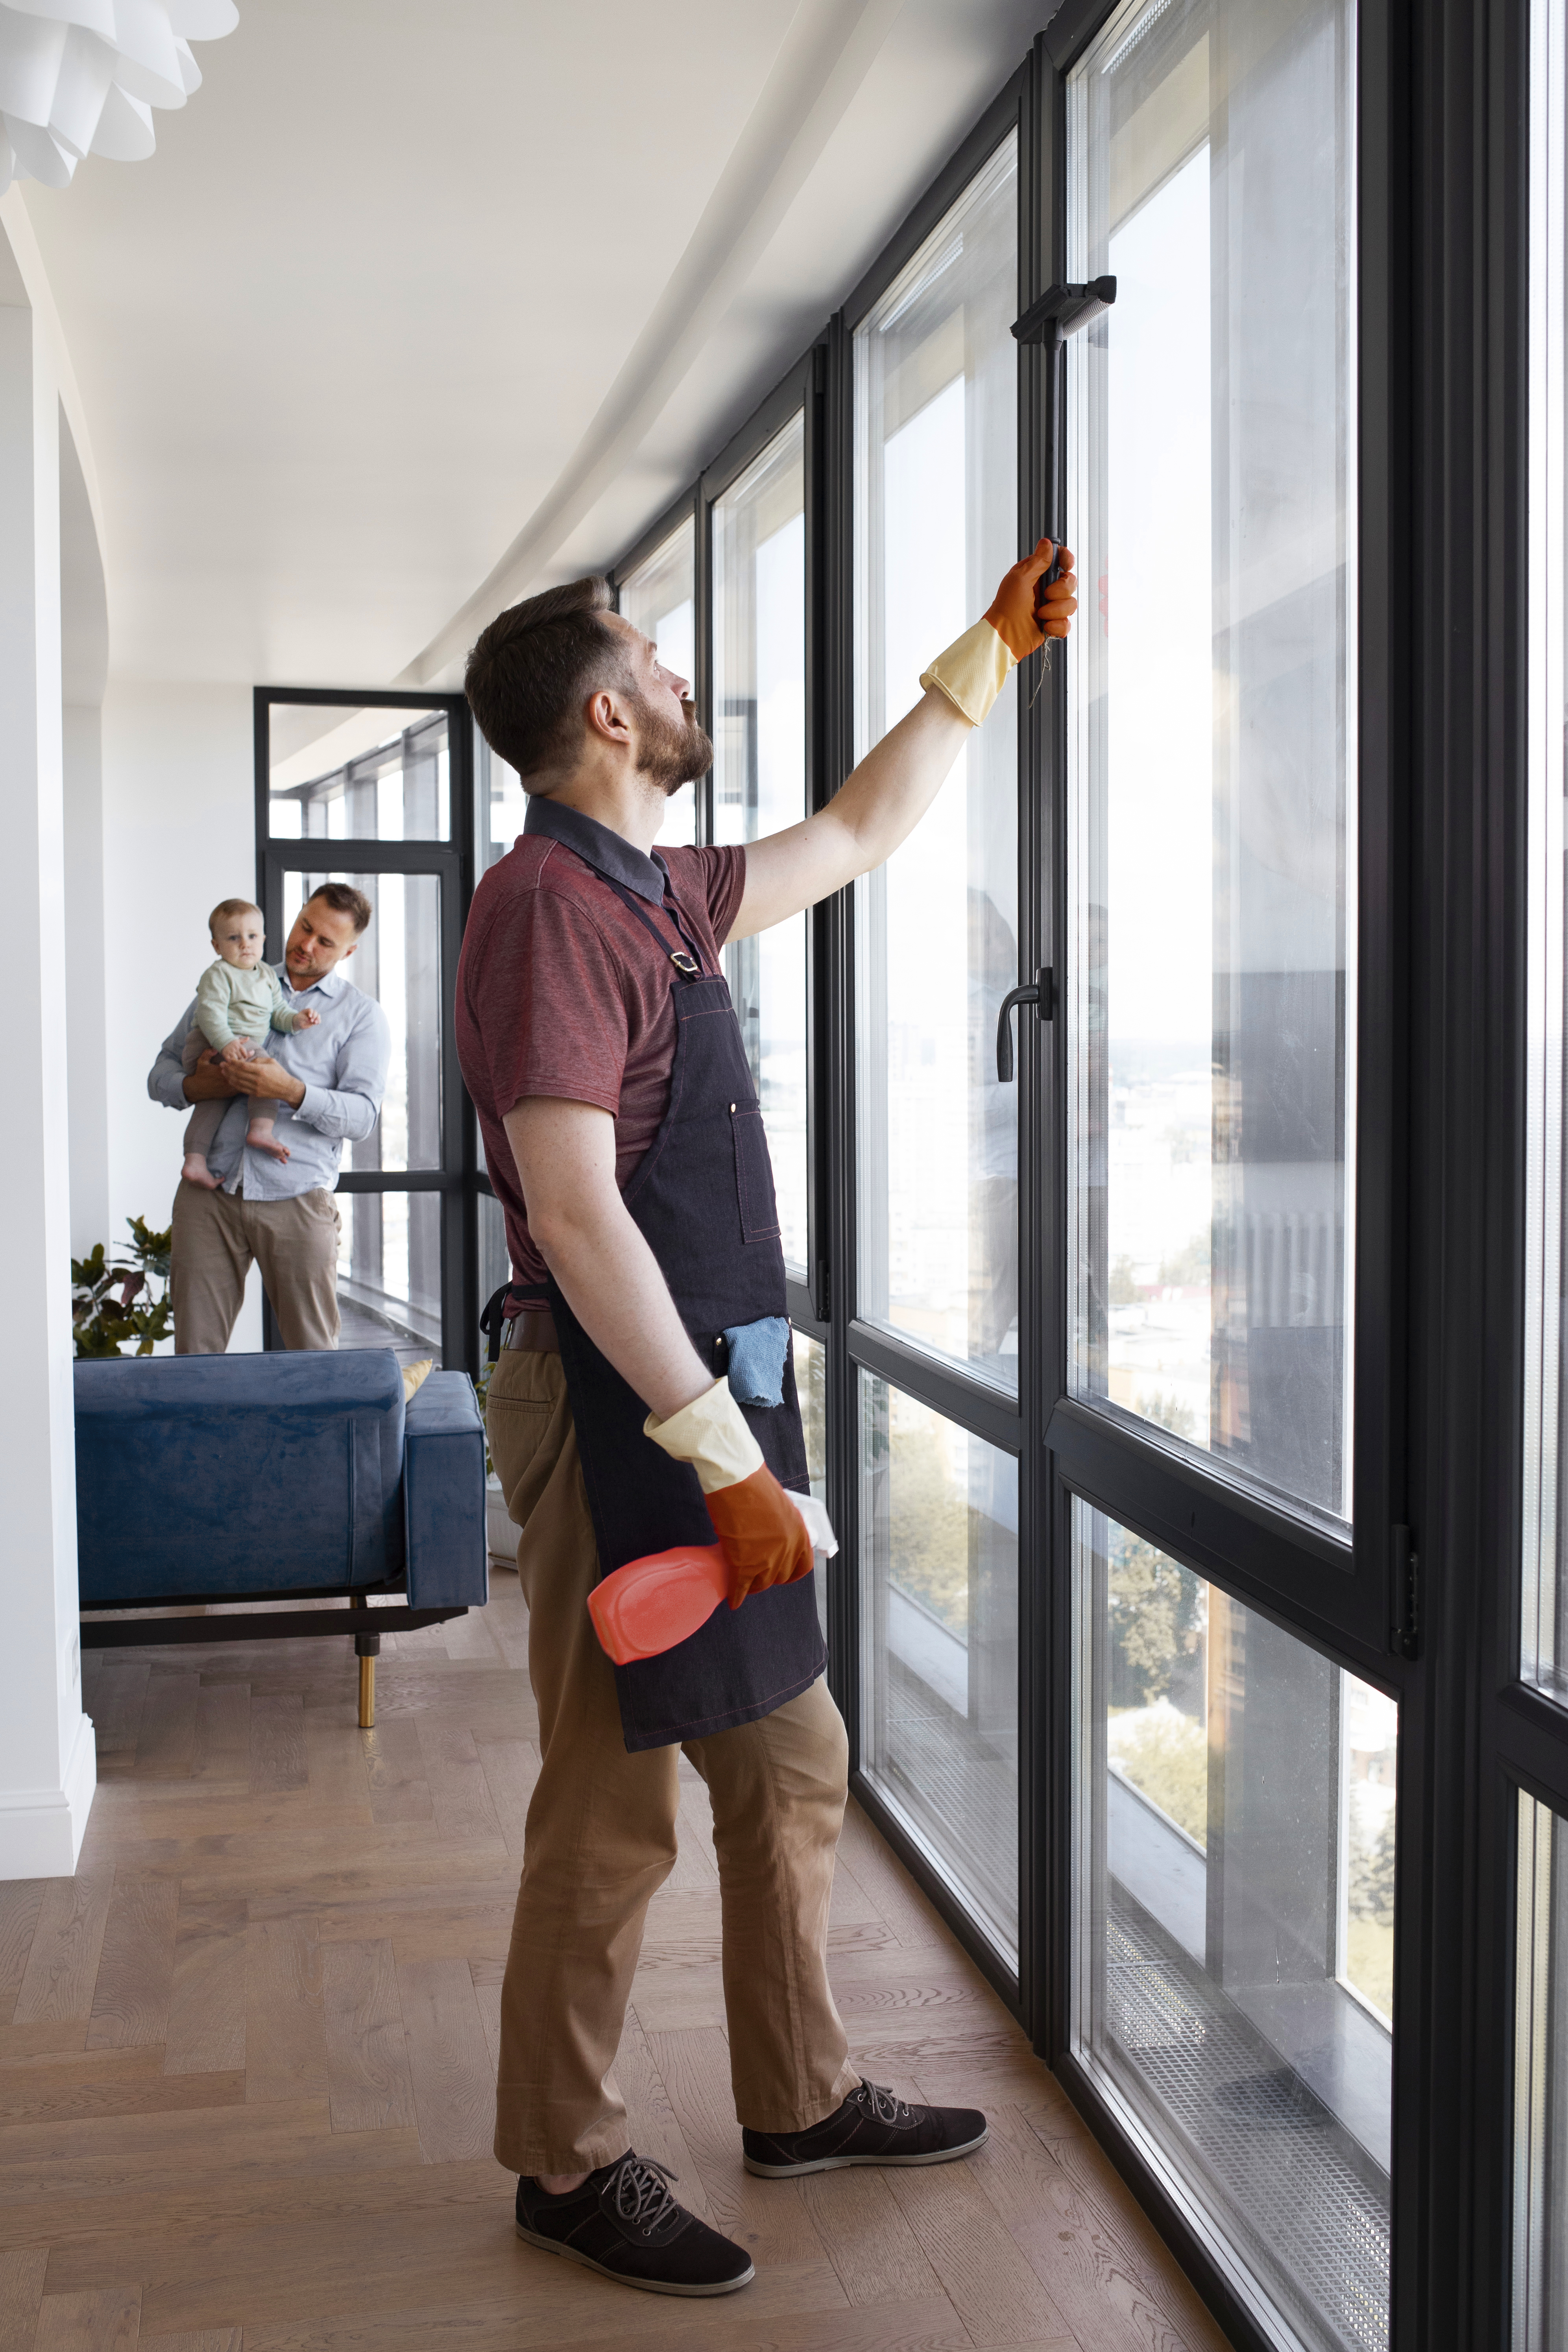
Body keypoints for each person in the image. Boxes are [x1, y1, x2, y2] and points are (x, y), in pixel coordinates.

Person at [457, 539, 1076, 2298]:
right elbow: (577, 1214)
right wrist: (717, 1454)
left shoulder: (653, 886)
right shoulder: (545, 916)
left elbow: (858, 830)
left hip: (705, 1387)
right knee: (612, 1797)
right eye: (651, 655)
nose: (677, 678)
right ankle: (565, 2163)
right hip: (617, 1403)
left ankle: (795, 2095)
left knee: (790, 1758)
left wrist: (983, 654)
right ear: (604, 706)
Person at [146, 883, 391, 1353]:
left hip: (296, 1196)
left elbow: (362, 1118)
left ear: (350, 950)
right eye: (305, 927)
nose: (306, 945)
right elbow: (161, 1073)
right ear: (297, 914)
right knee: (194, 1358)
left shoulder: (362, 1017)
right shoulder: (231, 977)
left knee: (314, 1354)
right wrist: (199, 1087)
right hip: (208, 1193)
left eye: (325, 942)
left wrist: (292, 1093)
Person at [180, 898, 320, 1187]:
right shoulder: (219, 974)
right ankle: (261, 1130)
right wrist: (226, 1042)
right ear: (217, 946)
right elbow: (210, 1014)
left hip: (234, 1045)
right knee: (267, 1070)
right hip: (213, 1043)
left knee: (212, 1104)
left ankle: (194, 1162)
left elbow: (278, 1014)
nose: (245, 944)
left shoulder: (267, 975)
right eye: (233, 938)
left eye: (252, 936)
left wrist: (297, 1021)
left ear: (264, 940)